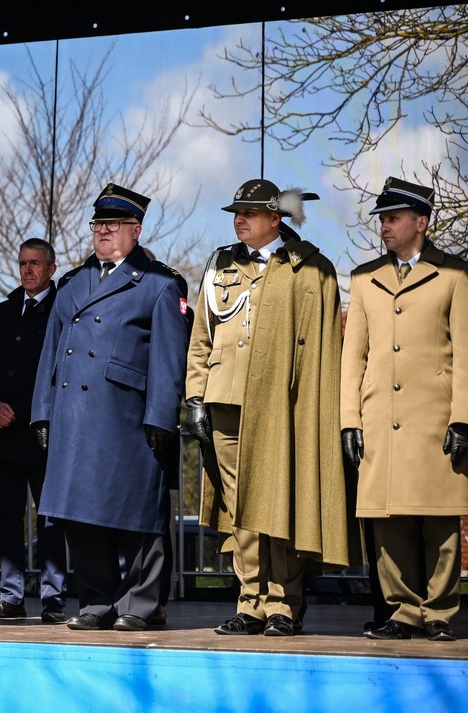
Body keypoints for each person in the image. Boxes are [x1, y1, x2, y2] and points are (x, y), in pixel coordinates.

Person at [184, 180, 355, 637]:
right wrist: (196, 396)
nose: (239, 220)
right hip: (225, 400)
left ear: (275, 219)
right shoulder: (219, 263)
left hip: (282, 404)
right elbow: (201, 337)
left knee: (279, 503)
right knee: (239, 506)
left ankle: (283, 604)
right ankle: (250, 603)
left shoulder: (310, 268)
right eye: (236, 213)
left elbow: (321, 349)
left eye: (250, 213)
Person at [31, 186, 190, 631]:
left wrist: (161, 416)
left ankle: (141, 604)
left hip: (127, 418)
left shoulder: (158, 284)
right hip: (73, 416)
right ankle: (96, 601)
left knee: (138, 514)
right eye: (98, 224)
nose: (103, 231)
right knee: (80, 514)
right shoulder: (72, 285)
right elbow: (50, 354)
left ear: (135, 231)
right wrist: (42, 411)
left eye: (113, 224)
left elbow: (169, 359)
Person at [341, 177, 468, 642]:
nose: (385, 227)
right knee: (387, 521)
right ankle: (402, 611)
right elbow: (352, 357)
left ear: (421, 222)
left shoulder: (455, 275)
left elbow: (466, 353)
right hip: (379, 418)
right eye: (382, 220)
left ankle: (438, 613)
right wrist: (349, 421)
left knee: (439, 520)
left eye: (393, 219)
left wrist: (463, 417)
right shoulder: (363, 278)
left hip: (435, 418)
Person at [0, 237, 68, 623]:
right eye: (23, 263)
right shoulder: (2, 311)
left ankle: (53, 600)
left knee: (50, 520)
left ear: (51, 269)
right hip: (3, 433)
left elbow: (60, 372)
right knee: (9, 519)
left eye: (35, 263)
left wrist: (26, 410)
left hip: (43, 434)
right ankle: (10, 599)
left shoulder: (63, 311)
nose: (27, 270)